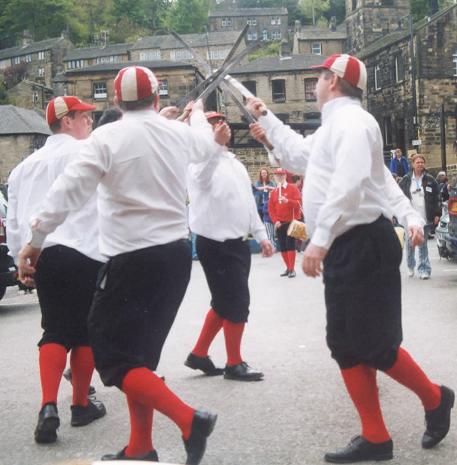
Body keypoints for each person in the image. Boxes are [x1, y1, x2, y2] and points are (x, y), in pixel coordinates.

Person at [247, 53, 453, 463]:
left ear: (335, 81)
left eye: (320, 77)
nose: (315, 84)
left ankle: (432, 400)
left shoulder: (354, 123)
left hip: (360, 243)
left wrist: (319, 241)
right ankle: (380, 434)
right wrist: (267, 119)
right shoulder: (335, 126)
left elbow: (351, 185)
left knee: (373, 345)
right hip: (353, 244)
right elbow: (300, 157)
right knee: (348, 344)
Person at [17, 66, 225, 464]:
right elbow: (206, 144)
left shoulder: (105, 138)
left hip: (132, 259)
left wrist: (37, 239)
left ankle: (188, 419)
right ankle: (140, 447)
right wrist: (195, 113)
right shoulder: (177, 133)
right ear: (157, 99)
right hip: (177, 256)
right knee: (140, 358)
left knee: (114, 357)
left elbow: (68, 190)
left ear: (117, 101)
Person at [6, 96, 107, 444]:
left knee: (54, 328)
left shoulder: (23, 167)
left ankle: (48, 405)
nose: (90, 124)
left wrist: (23, 258)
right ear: (67, 121)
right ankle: (80, 405)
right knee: (84, 331)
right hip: (85, 249)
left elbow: (16, 219)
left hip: (43, 252)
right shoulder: (87, 153)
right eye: (85, 118)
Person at [184, 111, 273, 381]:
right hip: (215, 241)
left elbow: (247, 202)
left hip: (236, 242)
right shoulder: (197, 162)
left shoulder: (234, 163)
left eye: (221, 122)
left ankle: (199, 354)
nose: (220, 126)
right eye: (212, 123)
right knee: (236, 301)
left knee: (224, 302)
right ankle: (234, 363)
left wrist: (262, 235)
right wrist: (212, 146)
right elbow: (201, 180)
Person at [398, 154, 440, 279]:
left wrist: (437, 213)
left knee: (423, 243)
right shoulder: (405, 179)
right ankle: (411, 265)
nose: (420, 164)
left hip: (425, 216)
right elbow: (399, 197)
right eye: (417, 162)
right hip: (410, 218)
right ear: (413, 164)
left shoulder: (430, 179)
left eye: (422, 162)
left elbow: (437, 197)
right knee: (411, 243)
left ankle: (424, 269)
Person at [268, 167, 302, 278]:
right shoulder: (274, 192)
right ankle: (288, 268)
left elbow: (299, 204)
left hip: (292, 221)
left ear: (285, 176)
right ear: (275, 177)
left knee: (290, 245)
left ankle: (292, 269)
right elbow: (271, 209)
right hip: (279, 223)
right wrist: (275, 221)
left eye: (282, 175)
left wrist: (288, 201)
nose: (279, 177)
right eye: (277, 175)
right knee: (282, 246)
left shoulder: (293, 189)